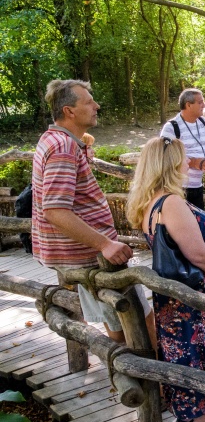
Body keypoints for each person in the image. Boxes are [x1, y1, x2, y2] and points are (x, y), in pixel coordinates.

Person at [126, 136, 205, 422]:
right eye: (183, 159)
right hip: (191, 297)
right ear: (171, 164)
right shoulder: (171, 202)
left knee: (184, 354)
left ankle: (191, 416)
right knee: (197, 354)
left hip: (174, 296)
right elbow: (196, 253)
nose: (187, 164)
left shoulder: (149, 202)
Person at [31, 79, 154, 345]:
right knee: (141, 323)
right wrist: (105, 244)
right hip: (91, 255)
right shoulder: (63, 148)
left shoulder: (55, 140)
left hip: (87, 254)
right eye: (88, 101)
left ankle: (133, 379)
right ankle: (154, 384)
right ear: (69, 111)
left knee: (118, 323)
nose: (96, 106)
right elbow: (54, 210)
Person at [159, 88, 205, 209]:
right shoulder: (171, 127)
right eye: (200, 102)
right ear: (188, 105)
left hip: (197, 187)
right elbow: (165, 156)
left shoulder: (203, 123)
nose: (204, 105)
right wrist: (195, 163)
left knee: (197, 226)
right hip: (177, 189)